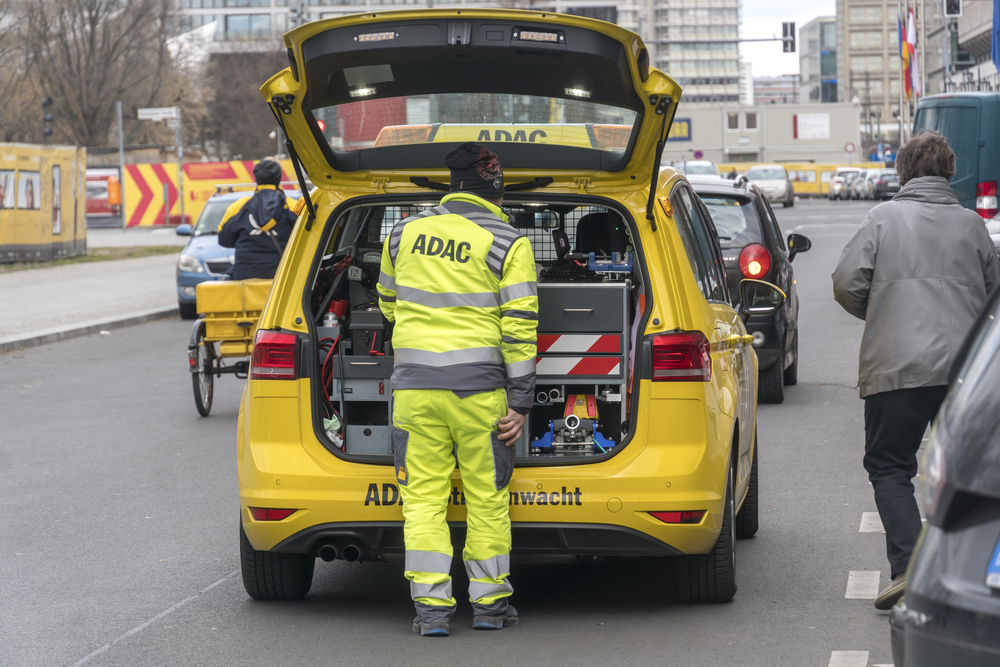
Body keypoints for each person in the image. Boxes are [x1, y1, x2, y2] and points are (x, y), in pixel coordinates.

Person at [832, 131, 1000, 610]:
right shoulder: (972, 225)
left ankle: (908, 566)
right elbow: (994, 296)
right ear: (950, 172)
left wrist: (882, 312)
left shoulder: (881, 219)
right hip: (967, 375)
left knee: (889, 465)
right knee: (970, 470)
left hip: (896, 366)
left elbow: (846, 283)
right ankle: (966, 573)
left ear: (902, 172)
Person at [376, 142, 538, 637]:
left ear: (452, 186)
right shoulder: (509, 243)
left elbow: (386, 301)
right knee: (487, 500)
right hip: (480, 397)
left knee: (422, 502)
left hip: (414, 393)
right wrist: (521, 403)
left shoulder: (403, 232)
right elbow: (520, 328)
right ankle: (489, 608)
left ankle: (431, 613)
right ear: (494, 186)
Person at [218, 157, 297, 280]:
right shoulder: (293, 207)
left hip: (244, 277)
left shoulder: (238, 207)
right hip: (282, 280)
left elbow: (224, 240)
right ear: (280, 178)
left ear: (256, 178)